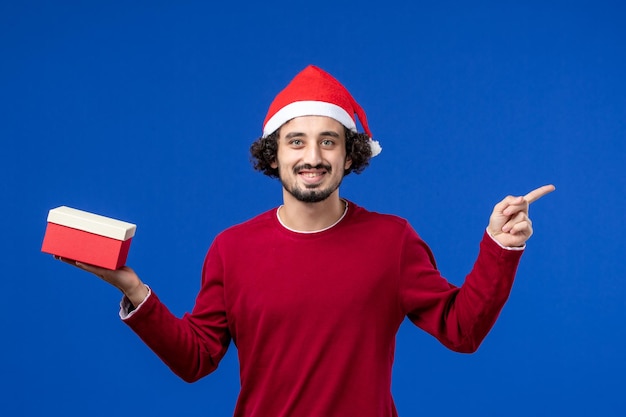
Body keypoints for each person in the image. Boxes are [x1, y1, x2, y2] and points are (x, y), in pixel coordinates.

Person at [57, 65, 554, 416]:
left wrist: (500, 247)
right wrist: (132, 288)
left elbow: (461, 330)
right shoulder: (232, 248)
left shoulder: (391, 240)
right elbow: (195, 359)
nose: (312, 156)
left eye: (328, 141)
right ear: (273, 155)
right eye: (296, 141)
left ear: (349, 156)